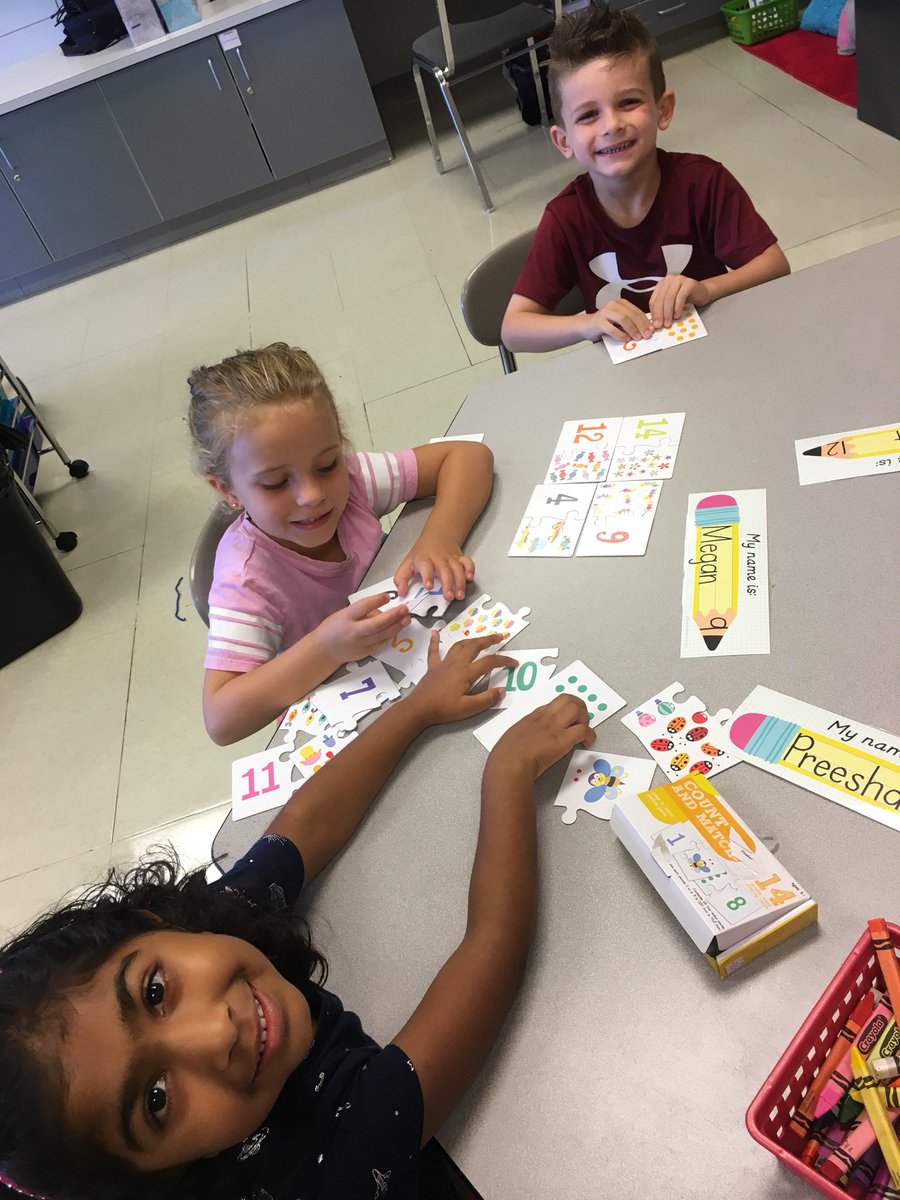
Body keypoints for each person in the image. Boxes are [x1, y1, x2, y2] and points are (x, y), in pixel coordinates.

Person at [0, 633, 594, 1200]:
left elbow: (306, 826)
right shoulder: (327, 1176)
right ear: (159, 1177)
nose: (215, 1033)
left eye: (155, 992)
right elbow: (494, 947)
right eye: (155, 1099)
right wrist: (508, 774)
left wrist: (418, 707)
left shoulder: (204, 933)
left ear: (150, 920)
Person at [188, 343, 495, 745]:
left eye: (326, 465)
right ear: (227, 489)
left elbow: (468, 456)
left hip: (424, 648)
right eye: (277, 483)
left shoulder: (350, 480)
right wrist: (327, 648)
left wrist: (439, 537)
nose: (313, 495)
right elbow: (221, 719)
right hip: (360, 706)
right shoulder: (245, 580)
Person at [501, 1, 790, 353]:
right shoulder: (565, 218)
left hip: (718, 353)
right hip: (629, 382)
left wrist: (708, 289)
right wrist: (586, 324)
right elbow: (514, 328)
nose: (612, 125)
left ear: (663, 110)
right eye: (589, 114)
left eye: (628, 102)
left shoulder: (703, 182)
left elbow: (774, 265)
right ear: (564, 141)